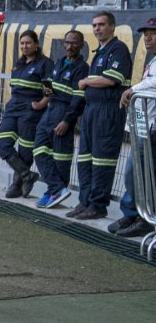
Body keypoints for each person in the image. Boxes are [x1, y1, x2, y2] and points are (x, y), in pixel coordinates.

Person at [67, 12, 133, 221]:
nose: (97, 29)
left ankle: (97, 206)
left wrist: (86, 82)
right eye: (94, 25)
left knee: (102, 160)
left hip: (108, 111)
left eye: (102, 25)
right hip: (92, 110)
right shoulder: (99, 52)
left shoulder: (119, 49)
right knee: (85, 158)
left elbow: (112, 79)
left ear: (112, 27)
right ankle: (85, 201)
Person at [108, 17, 156, 237]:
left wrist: (131, 89)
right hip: (143, 125)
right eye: (145, 33)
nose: (147, 37)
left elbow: (153, 84)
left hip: (151, 129)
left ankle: (146, 218)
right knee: (134, 173)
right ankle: (135, 214)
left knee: (142, 173)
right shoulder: (152, 60)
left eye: (152, 33)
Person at [33, 30, 88, 209]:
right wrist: (47, 90)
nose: (69, 46)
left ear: (81, 46)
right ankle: (57, 188)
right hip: (50, 111)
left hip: (64, 114)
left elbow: (79, 98)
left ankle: (53, 192)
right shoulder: (58, 62)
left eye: (74, 43)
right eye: (67, 42)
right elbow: (51, 85)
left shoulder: (82, 68)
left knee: (61, 158)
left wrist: (67, 120)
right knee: (39, 150)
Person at [0, 30, 53, 198]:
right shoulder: (19, 64)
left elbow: (51, 89)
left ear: (36, 44)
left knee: (25, 151)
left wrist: (41, 103)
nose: (24, 46)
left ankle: (16, 185)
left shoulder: (45, 63)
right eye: (22, 43)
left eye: (28, 43)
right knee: (1, 144)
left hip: (30, 112)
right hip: (13, 111)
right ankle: (27, 175)